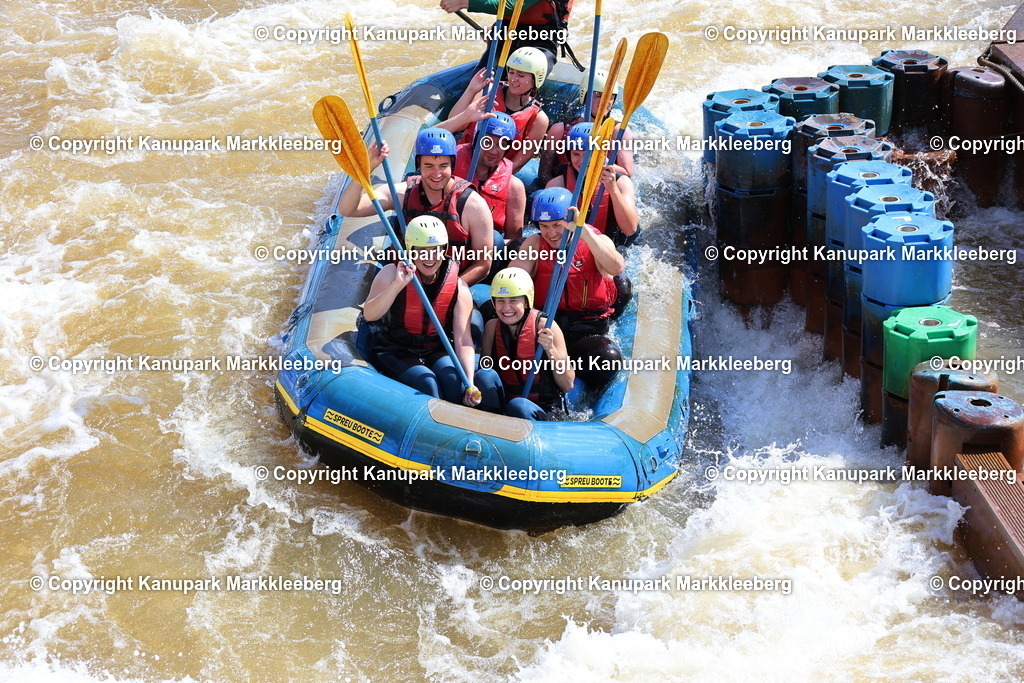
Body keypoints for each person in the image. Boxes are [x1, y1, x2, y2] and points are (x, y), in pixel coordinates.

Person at [338, 128, 494, 285]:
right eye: (429, 166)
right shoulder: (403, 193)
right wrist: (366, 167)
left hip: (453, 285)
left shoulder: (472, 205)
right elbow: (349, 209)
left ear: (452, 164)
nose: (437, 173)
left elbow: (483, 265)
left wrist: (447, 292)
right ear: (418, 164)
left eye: (443, 166)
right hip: (407, 281)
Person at [359, 216, 485, 406]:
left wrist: (470, 382)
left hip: (433, 349)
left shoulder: (459, 288)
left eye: (435, 251)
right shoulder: (391, 274)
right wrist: (397, 285)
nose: (430, 258)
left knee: (453, 380)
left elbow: (464, 341)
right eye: (422, 251)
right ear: (410, 251)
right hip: (395, 349)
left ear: (444, 250)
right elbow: (369, 315)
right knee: (427, 383)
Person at [510, 187, 625, 387]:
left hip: (587, 330)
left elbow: (616, 268)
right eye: (544, 226)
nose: (551, 233)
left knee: (608, 358)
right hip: (549, 327)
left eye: (558, 225)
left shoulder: (595, 240)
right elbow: (512, 282)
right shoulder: (534, 243)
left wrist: (583, 230)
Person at [482, 267, 575, 420]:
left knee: (519, 405)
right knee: (484, 375)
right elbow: (486, 373)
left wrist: (550, 348)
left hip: (543, 410)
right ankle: (490, 421)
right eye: (500, 301)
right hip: (508, 405)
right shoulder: (492, 328)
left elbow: (568, 384)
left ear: (526, 301)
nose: (506, 308)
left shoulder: (545, 326)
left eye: (513, 301)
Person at [448, 48, 550, 174]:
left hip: (495, 172)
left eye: (521, 75)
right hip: (464, 158)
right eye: (512, 72)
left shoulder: (539, 119)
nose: (513, 78)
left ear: (536, 80)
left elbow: (518, 162)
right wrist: (471, 90)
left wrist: (489, 178)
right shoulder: (489, 91)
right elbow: (454, 123)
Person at [546, 122, 640, 247]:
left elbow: (630, 229)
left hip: (614, 245)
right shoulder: (557, 184)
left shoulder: (621, 182)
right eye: (576, 154)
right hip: (578, 245)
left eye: (588, 155)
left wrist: (613, 190)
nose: (581, 162)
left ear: (600, 154)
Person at [538, 69, 634, 185]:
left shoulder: (619, 132)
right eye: (598, 95)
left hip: (601, 191)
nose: (604, 101)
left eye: (609, 96)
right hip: (564, 191)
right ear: (585, 96)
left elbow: (627, 174)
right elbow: (544, 174)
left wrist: (601, 162)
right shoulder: (559, 130)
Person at [451, 111, 526, 241]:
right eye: (487, 142)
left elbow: (513, 239)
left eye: (501, 144)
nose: (493, 150)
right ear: (476, 139)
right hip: (448, 236)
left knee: (495, 239)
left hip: (487, 247)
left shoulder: (514, 186)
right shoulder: (450, 164)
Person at [438, 0, 577, 68]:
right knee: (480, 80)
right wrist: (496, 28)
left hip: (542, 37)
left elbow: (514, 6)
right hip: (509, 29)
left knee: (524, 80)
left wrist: (464, 2)